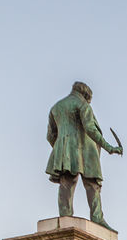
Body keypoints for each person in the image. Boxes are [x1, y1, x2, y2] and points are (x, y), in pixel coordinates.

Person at [46, 81, 122, 230]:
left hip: (64, 151)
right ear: (86, 95)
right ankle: (97, 217)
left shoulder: (56, 107)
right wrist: (109, 147)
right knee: (92, 184)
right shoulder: (83, 105)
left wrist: (62, 148)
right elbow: (90, 128)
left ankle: (65, 216)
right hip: (85, 152)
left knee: (66, 182)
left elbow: (50, 135)